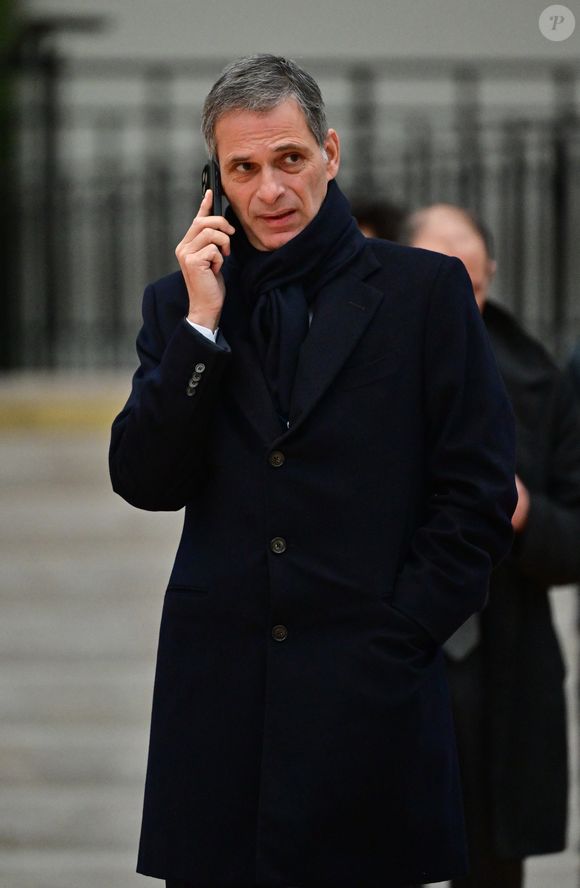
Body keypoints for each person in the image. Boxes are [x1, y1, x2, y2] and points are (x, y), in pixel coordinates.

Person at [109, 56, 517, 888]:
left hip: (370, 701)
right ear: (214, 181)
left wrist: (399, 635)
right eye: (243, 169)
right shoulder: (180, 305)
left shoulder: (425, 293)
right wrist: (200, 331)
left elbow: (475, 490)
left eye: (288, 159)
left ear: (329, 151)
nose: (269, 190)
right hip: (221, 712)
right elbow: (146, 479)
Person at [406, 203, 580, 888]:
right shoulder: (361, 373)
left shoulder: (542, 384)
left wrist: (522, 511)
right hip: (398, 653)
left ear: (492, 281)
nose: (459, 305)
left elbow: (573, 541)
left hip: (502, 667)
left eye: (472, 288)